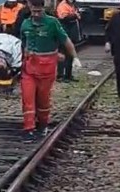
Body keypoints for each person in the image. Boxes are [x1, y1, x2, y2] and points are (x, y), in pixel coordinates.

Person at [20, 0, 82, 143]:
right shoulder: (25, 24)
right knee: (27, 98)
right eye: (34, 11)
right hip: (29, 68)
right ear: (30, 8)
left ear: (43, 8)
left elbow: (65, 40)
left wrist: (74, 57)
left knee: (43, 99)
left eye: (39, 11)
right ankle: (28, 128)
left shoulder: (52, 23)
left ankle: (42, 125)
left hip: (46, 69)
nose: (36, 14)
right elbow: (23, 42)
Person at [56, 0, 82, 83]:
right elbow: (63, 17)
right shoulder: (63, 5)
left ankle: (68, 75)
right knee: (63, 54)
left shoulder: (73, 5)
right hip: (65, 32)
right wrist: (75, 15)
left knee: (70, 55)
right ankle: (60, 75)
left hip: (71, 33)